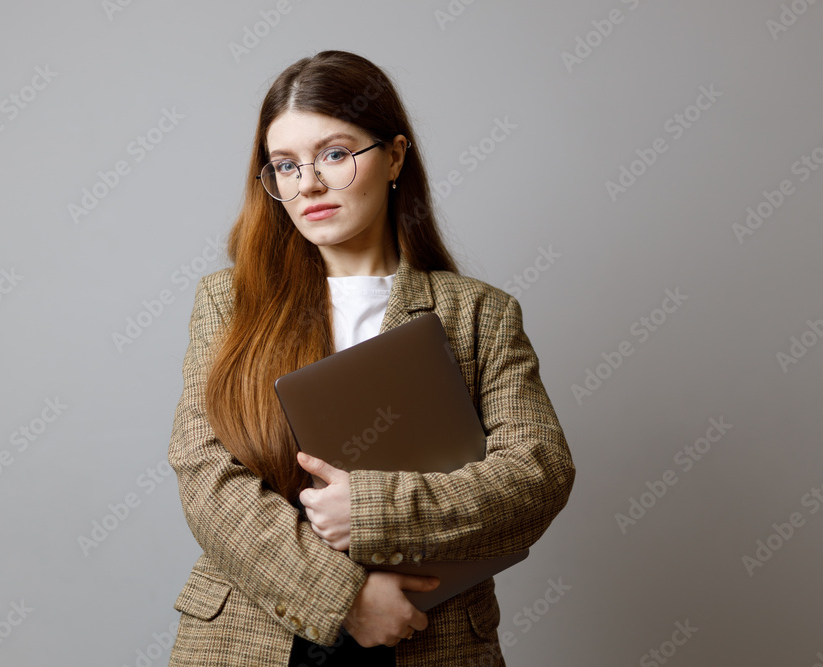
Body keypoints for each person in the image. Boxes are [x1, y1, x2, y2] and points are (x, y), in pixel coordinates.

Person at [166, 50, 575, 667]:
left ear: (395, 157)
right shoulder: (229, 303)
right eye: (284, 165)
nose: (308, 184)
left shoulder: (478, 313)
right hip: (255, 634)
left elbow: (537, 474)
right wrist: (347, 596)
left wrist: (373, 511)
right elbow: (205, 478)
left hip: (429, 637)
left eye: (334, 154)